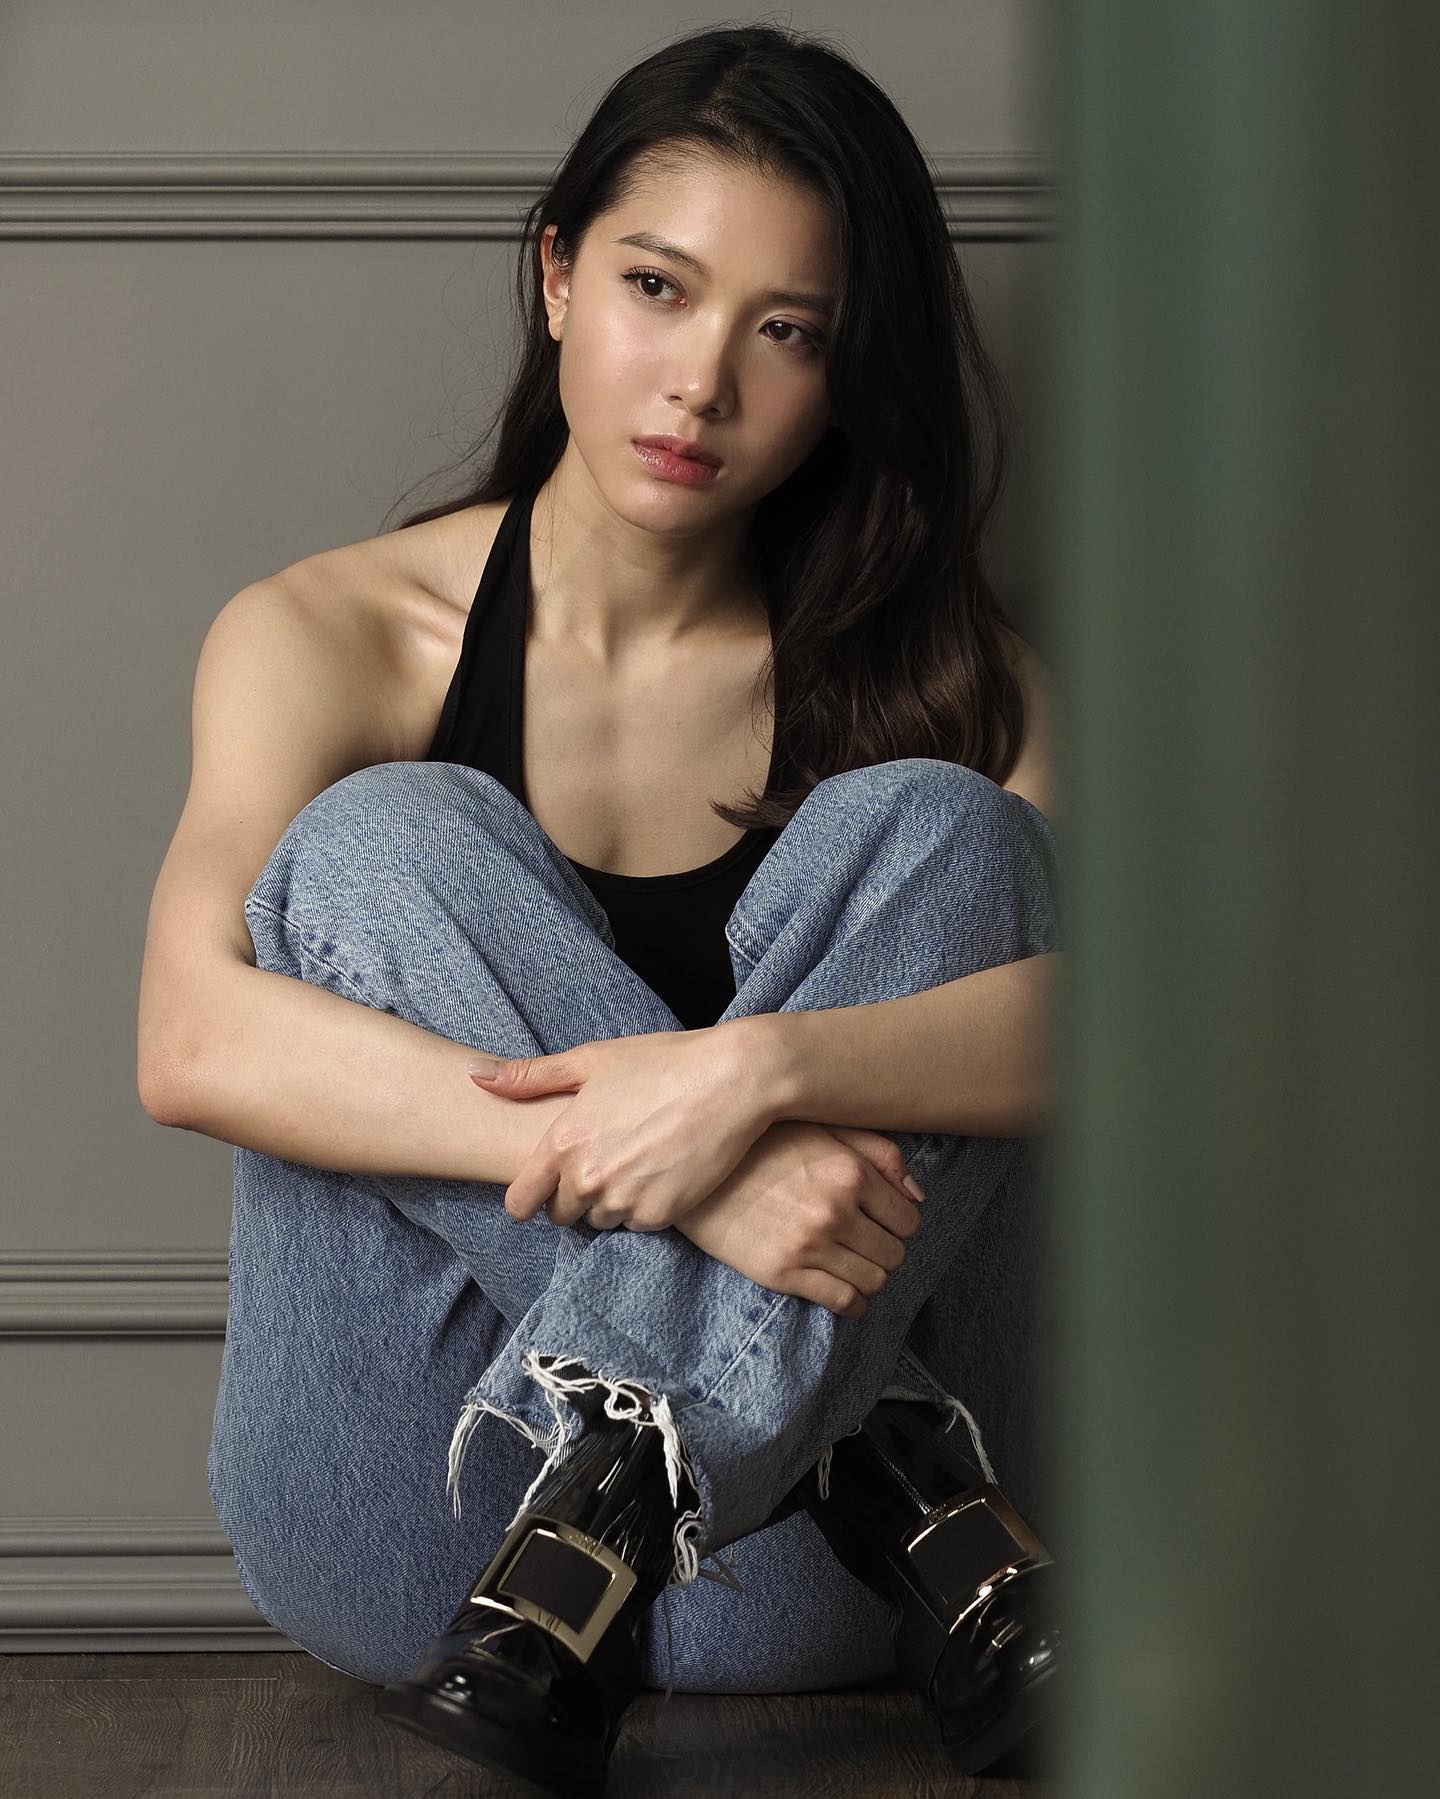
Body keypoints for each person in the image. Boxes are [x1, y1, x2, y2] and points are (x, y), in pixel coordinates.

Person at [137, 21, 1064, 1798]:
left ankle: (651, 1490)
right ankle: (885, 1464)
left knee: (946, 831)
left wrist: (751, 1077)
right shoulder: (332, 637)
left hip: (817, 1586)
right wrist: (703, 1170)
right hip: (435, 1540)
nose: (700, 383)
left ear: (847, 370)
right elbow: (188, 1036)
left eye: (787, 331)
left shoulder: (954, 675)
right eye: (658, 286)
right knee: (382, 837)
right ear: (558, 275)